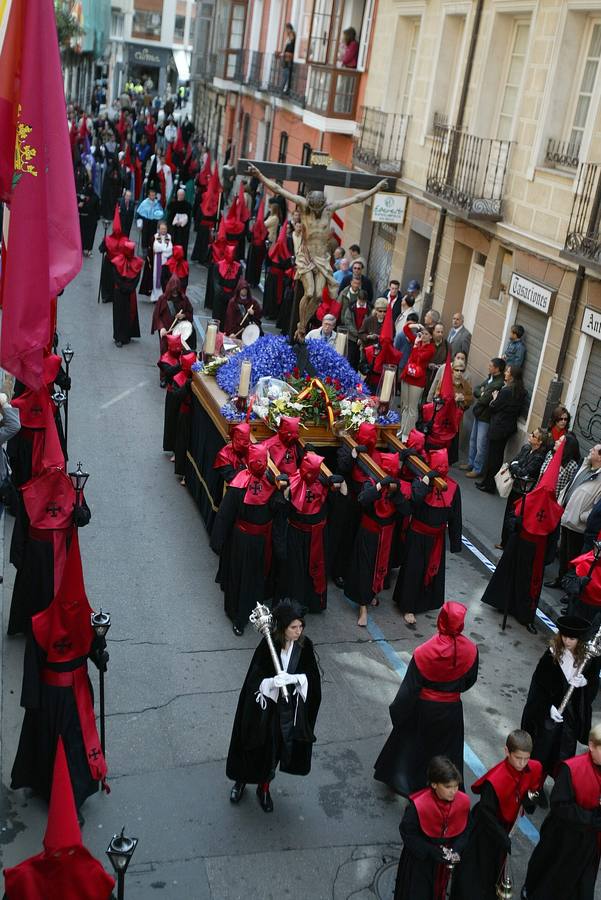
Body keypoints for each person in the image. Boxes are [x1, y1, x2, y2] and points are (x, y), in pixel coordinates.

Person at [11, 534, 109, 813]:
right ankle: (53, 791)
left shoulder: (84, 617)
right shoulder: (41, 625)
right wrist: (33, 701)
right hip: (52, 697)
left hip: (76, 692)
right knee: (54, 748)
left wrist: (100, 656)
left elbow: (92, 645)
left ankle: (75, 794)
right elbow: (33, 664)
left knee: (74, 747)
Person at [248, 163, 386, 337]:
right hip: (306, 256)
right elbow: (279, 189)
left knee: (319, 296)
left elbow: (356, 199)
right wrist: (259, 175)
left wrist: (376, 188)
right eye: (314, 207)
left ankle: (303, 323)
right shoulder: (304, 207)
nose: (316, 210)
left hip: (321, 257)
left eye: (318, 207)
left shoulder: (329, 210)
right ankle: (300, 325)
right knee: (310, 292)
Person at [226, 599, 322, 813]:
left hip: (285, 711)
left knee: (274, 751)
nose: (299, 631)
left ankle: (264, 788)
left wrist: (295, 679)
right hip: (263, 709)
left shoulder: (305, 647)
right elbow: (254, 679)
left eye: (301, 626)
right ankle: (240, 782)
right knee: (251, 745)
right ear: (283, 628)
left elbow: (312, 678)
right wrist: (270, 683)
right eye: (293, 627)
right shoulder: (268, 646)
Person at [375, 602, 478, 796]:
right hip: (452, 711)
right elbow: (469, 681)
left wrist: (398, 712)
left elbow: (410, 687)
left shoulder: (424, 651)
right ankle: (443, 787)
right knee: (447, 752)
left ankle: (411, 786)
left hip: (423, 709)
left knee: (415, 749)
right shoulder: (471, 650)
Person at [5, 737, 116, 899]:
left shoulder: (24, 878)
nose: (64, 862)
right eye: (57, 855)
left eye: (70, 852)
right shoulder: (93, 875)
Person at [481, 439, 565, 633]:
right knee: (511, 574)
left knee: (530, 584)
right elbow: (512, 518)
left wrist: (548, 557)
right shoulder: (529, 499)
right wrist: (516, 524)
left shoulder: (554, 510)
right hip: (519, 543)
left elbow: (553, 534)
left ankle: (525, 615)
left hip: (537, 551)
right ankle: (504, 603)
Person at [452, 730, 542, 900]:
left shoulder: (534, 767)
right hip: (485, 829)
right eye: (518, 758)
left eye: (526, 758)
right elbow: (486, 814)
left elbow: (532, 790)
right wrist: (502, 837)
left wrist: (529, 800)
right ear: (507, 752)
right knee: (477, 869)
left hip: (504, 827)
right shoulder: (495, 781)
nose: (522, 763)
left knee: (495, 867)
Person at [210, 444, 288, 636]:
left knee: (255, 576)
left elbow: (277, 511)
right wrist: (218, 541)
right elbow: (227, 514)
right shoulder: (240, 484)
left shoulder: (269, 484)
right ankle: (237, 615)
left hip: (260, 539)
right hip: (243, 540)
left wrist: (285, 493)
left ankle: (254, 608)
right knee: (242, 576)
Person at [345, 454, 428, 627]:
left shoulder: (400, 487)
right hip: (369, 533)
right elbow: (362, 500)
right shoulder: (370, 482)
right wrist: (379, 487)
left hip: (387, 535)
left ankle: (373, 593)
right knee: (365, 569)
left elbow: (406, 510)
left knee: (381, 568)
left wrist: (396, 494)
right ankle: (363, 607)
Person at [521, 616, 601, 791]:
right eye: (564, 636)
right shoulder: (551, 655)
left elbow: (593, 685)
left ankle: (560, 790)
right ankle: (534, 788)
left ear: (579, 640)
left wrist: (585, 684)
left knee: (562, 757)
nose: (566, 641)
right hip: (548, 720)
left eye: (571, 638)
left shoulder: (588, 660)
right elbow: (538, 688)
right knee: (541, 755)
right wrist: (547, 707)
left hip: (569, 722)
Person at [521, 724, 601, 900]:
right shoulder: (572, 769)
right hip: (563, 838)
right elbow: (559, 806)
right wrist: (590, 818)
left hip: (588, 843)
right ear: (592, 745)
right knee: (550, 879)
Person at [8, 468, 90, 636]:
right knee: (38, 590)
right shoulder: (31, 490)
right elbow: (22, 526)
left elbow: (83, 516)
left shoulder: (71, 486)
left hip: (59, 550)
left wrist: (79, 514)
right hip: (38, 552)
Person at [394, 449, 462, 625]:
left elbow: (456, 515)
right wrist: (425, 482)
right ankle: (408, 606)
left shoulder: (453, 487)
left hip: (436, 537)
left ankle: (426, 602)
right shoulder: (420, 481)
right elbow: (414, 501)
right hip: (417, 534)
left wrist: (455, 542)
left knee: (431, 571)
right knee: (413, 571)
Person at [392, 756, 471, 900]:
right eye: (448, 787)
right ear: (434, 784)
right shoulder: (418, 806)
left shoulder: (463, 802)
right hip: (419, 864)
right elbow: (408, 833)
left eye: (456, 786)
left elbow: (465, 829)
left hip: (444, 865)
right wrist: (431, 851)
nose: (454, 791)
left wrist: (456, 849)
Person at [280, 451, 343, 613]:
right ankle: (295, 604)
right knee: (296, 571)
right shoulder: (292, 484)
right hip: (297, 534)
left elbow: (338, 501)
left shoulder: (323, 484)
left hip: (317, 534)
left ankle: (315, 602)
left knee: (315, 569)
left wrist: (339, 483)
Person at [547, 444, 601, 585]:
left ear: (600, 457)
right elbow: (571, 485)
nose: (590, 450)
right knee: (563, 554)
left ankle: (569, 587)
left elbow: (597, 507)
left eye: (594, 450)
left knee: (574, 558)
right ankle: (560, 580)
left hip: (578, 525)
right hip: (567, 517)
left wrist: (582, 517)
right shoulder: (584, 466)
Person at [497, 427, 553, 548]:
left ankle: (509, 545)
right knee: (507, 513)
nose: (531, 435)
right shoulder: (526, 448)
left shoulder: (539, 458)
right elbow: (513, 462)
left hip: (523, 492)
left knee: (515, 517)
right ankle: (503, 541)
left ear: (539, 442)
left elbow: (523, 471)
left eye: (534, 435)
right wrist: (517, 467)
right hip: (514, 486)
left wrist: (517, 468)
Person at [476, 366, 528, 493]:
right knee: (498, 456)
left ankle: (488, 484)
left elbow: (493, 407)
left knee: (493, 457)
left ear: (512, 376)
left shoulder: (506, 391)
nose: (505, 373)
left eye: (507, 372)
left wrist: (494, 398)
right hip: (508, 427)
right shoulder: (522, 392)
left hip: (498, 427)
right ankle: (489, 483)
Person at [462, 357, 506, 478]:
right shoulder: (490, 378)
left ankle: (478, 468)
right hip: (479, 413)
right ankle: (471, 463)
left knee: (481, 444)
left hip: (486, 416)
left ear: (497, 369)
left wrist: (482, 394)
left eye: (491, 365)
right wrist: (481, 393)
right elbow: (476, 389)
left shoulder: (498, 383)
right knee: (473, 440)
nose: (488, 367)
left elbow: (485, 399)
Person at [398, 323, 435, 440]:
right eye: (422, 333)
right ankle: (402, 429)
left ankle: (408, 434)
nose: (423, 336)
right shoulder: (417, 340)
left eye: (426, 334)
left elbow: (417, 358)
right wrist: (416, 325)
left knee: (412, 408)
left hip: (417, 380)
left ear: (431, 337)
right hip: (407, 376)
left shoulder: (430, 349)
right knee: (405, 405)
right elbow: (405, 329)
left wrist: (414, 345)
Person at [151, 275, 195, 356]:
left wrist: (183, 315)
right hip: (166, 330)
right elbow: (157, 316)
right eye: (173, 290)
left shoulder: (184, 299)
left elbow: (190, 312)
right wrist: (161, 328)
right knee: (165, 352)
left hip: (178, 332)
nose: (175, 292)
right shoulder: (163, 299)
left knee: (177, 353)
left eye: (176, 290)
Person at [110, 239, 142, 347]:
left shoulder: (137, 262)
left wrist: (130, 288)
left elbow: (137, 277)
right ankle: (118, 337)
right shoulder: (117, 261)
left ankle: (126, 335)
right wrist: (125, 288)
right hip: (120, 292)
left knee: (129, 313)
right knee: (119, 315)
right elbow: (116, 277)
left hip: (129, 292)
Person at [140, 221, 173, 301]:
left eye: (165, 229)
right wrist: (164, 249)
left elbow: (170, 249)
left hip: (165, 261)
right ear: (159, 229)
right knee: (156, 278)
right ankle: (156, 296)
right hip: (157, 261)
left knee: (165, 279)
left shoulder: (168, 237)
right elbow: (156, 247)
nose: (163, 230)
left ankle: (163, 295)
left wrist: (163, 251)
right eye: (162, 229)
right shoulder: (156, 236)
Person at [136, 186, 164, 251]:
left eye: (154, 195)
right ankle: (144, 250)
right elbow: (139, 215)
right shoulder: (144, 203)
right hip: (146, 223)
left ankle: (151, 249)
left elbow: (160, 213)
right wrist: (139, 224)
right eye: (151, 195)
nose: (152, 197)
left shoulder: (157, 203)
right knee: (145, 237)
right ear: (148, 195)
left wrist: (155, 214)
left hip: (153, 223)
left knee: (152, 237)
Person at [425, 322, 449, 396]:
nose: (440, 334)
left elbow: (449, 362)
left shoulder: (447, 345)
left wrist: (442, 366)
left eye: (442, 332)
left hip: (438, 378)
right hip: (425, 375)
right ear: (433, 332)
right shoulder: (427, 342)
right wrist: (428, 364)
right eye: (438, 332)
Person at [167, 187, 192, 257]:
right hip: (174, 230)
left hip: (183, 231)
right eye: (180, 195)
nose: (181, 196)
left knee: (182, 246)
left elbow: (188, 219)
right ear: (177, 195)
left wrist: (182, 223)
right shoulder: (172, 205)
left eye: (182, 195)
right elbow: (169, 218)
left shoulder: (187, 206)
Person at [77, 182, 100, 257]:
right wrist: (79, 205)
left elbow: (98, 210)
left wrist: (96, 219)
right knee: (82, 234)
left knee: (90, 235)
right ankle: (82, 248)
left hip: (91, 220)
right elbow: (76, 204)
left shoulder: (95, 198)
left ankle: (89, 249)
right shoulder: (81, 195)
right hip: (82, 219)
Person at [279, 23, 296, 92]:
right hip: (286, 59)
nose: (286, 31)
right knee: (285, 74)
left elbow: (290, 51)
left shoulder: (292, 40)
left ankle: (284, 89)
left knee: (286, 74)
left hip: (288, 60)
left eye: (287, 29)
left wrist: (285, 54)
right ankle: (283, 88)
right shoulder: (288, 39)